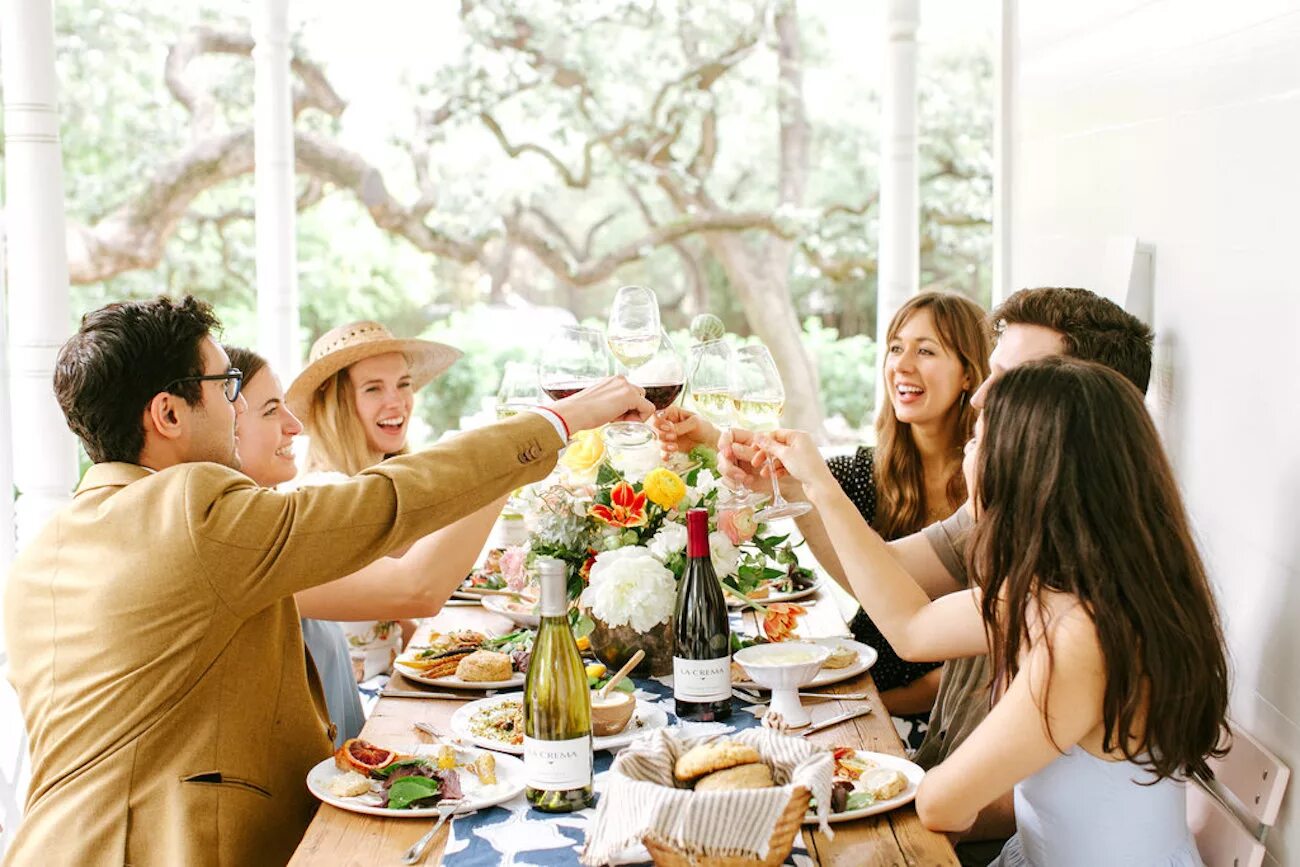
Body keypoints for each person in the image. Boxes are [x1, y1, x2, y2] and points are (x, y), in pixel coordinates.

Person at [3, 295, 652, 866]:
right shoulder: (192, 510)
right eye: (226, 384)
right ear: (168, 414)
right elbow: (385, 504)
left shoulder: (43, 548)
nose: (239, 408)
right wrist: (557, 422)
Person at [716, 286, 1156, 864]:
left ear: (1069, 414)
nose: (981, 402)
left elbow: (957, 802)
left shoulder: (1081, 616)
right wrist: (805, 487)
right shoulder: (1055, 562)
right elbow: (908, 613)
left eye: (1014, 382)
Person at [758, 357, 1228, 866]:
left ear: (1027, 469)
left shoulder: (1083, 636)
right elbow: (912, 628)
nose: (967, 455)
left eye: (976, 440)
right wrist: (816, 486)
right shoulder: (1074, 589)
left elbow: (943, 805)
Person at [658, 292, 990, 729]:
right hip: (861, 685)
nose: (902, 365)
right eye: (895, 348)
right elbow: (797, 481)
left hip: (930, 716)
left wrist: (858, 707)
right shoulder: (861, 472)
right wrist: (708, 437)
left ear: (970, 374)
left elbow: (963, 675)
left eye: (925, 350)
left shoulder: (990, 493)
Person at [227, 339, 505, 746]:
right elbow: (418, 587)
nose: (294, 425)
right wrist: (512, 460)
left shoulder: (278, 511)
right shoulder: (284, 520)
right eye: (373, 388)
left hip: (348, 731)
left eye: (403, 384)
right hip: (336, 747)